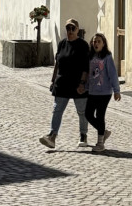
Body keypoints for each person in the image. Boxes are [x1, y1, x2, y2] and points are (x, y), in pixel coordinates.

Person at [39, 18, 90, 149]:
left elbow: (86, 66)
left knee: (82, 111)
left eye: (73, 28)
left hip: (78, 84)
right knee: (57, 110)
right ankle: (52, 136)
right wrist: (53, 80)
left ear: (77, 30)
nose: (70, 31)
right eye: (68, 28)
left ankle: (83, 135)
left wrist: (82, 83)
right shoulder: (62, 43)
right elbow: (57, 63)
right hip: (62, 83)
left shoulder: (83, 45)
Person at [85, 32, 121, 154]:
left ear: (103, 44)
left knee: (100, 116)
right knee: (88, 114)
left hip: (104, 93)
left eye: (99, 41)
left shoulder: (107, 57)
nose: (96, 43)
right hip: (92, 92)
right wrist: (85, 86)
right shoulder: (90, 56)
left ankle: (100, 143)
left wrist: (117, 91)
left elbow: (113, 74)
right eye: (94, 41)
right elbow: (89, 74)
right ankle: (103, 131)